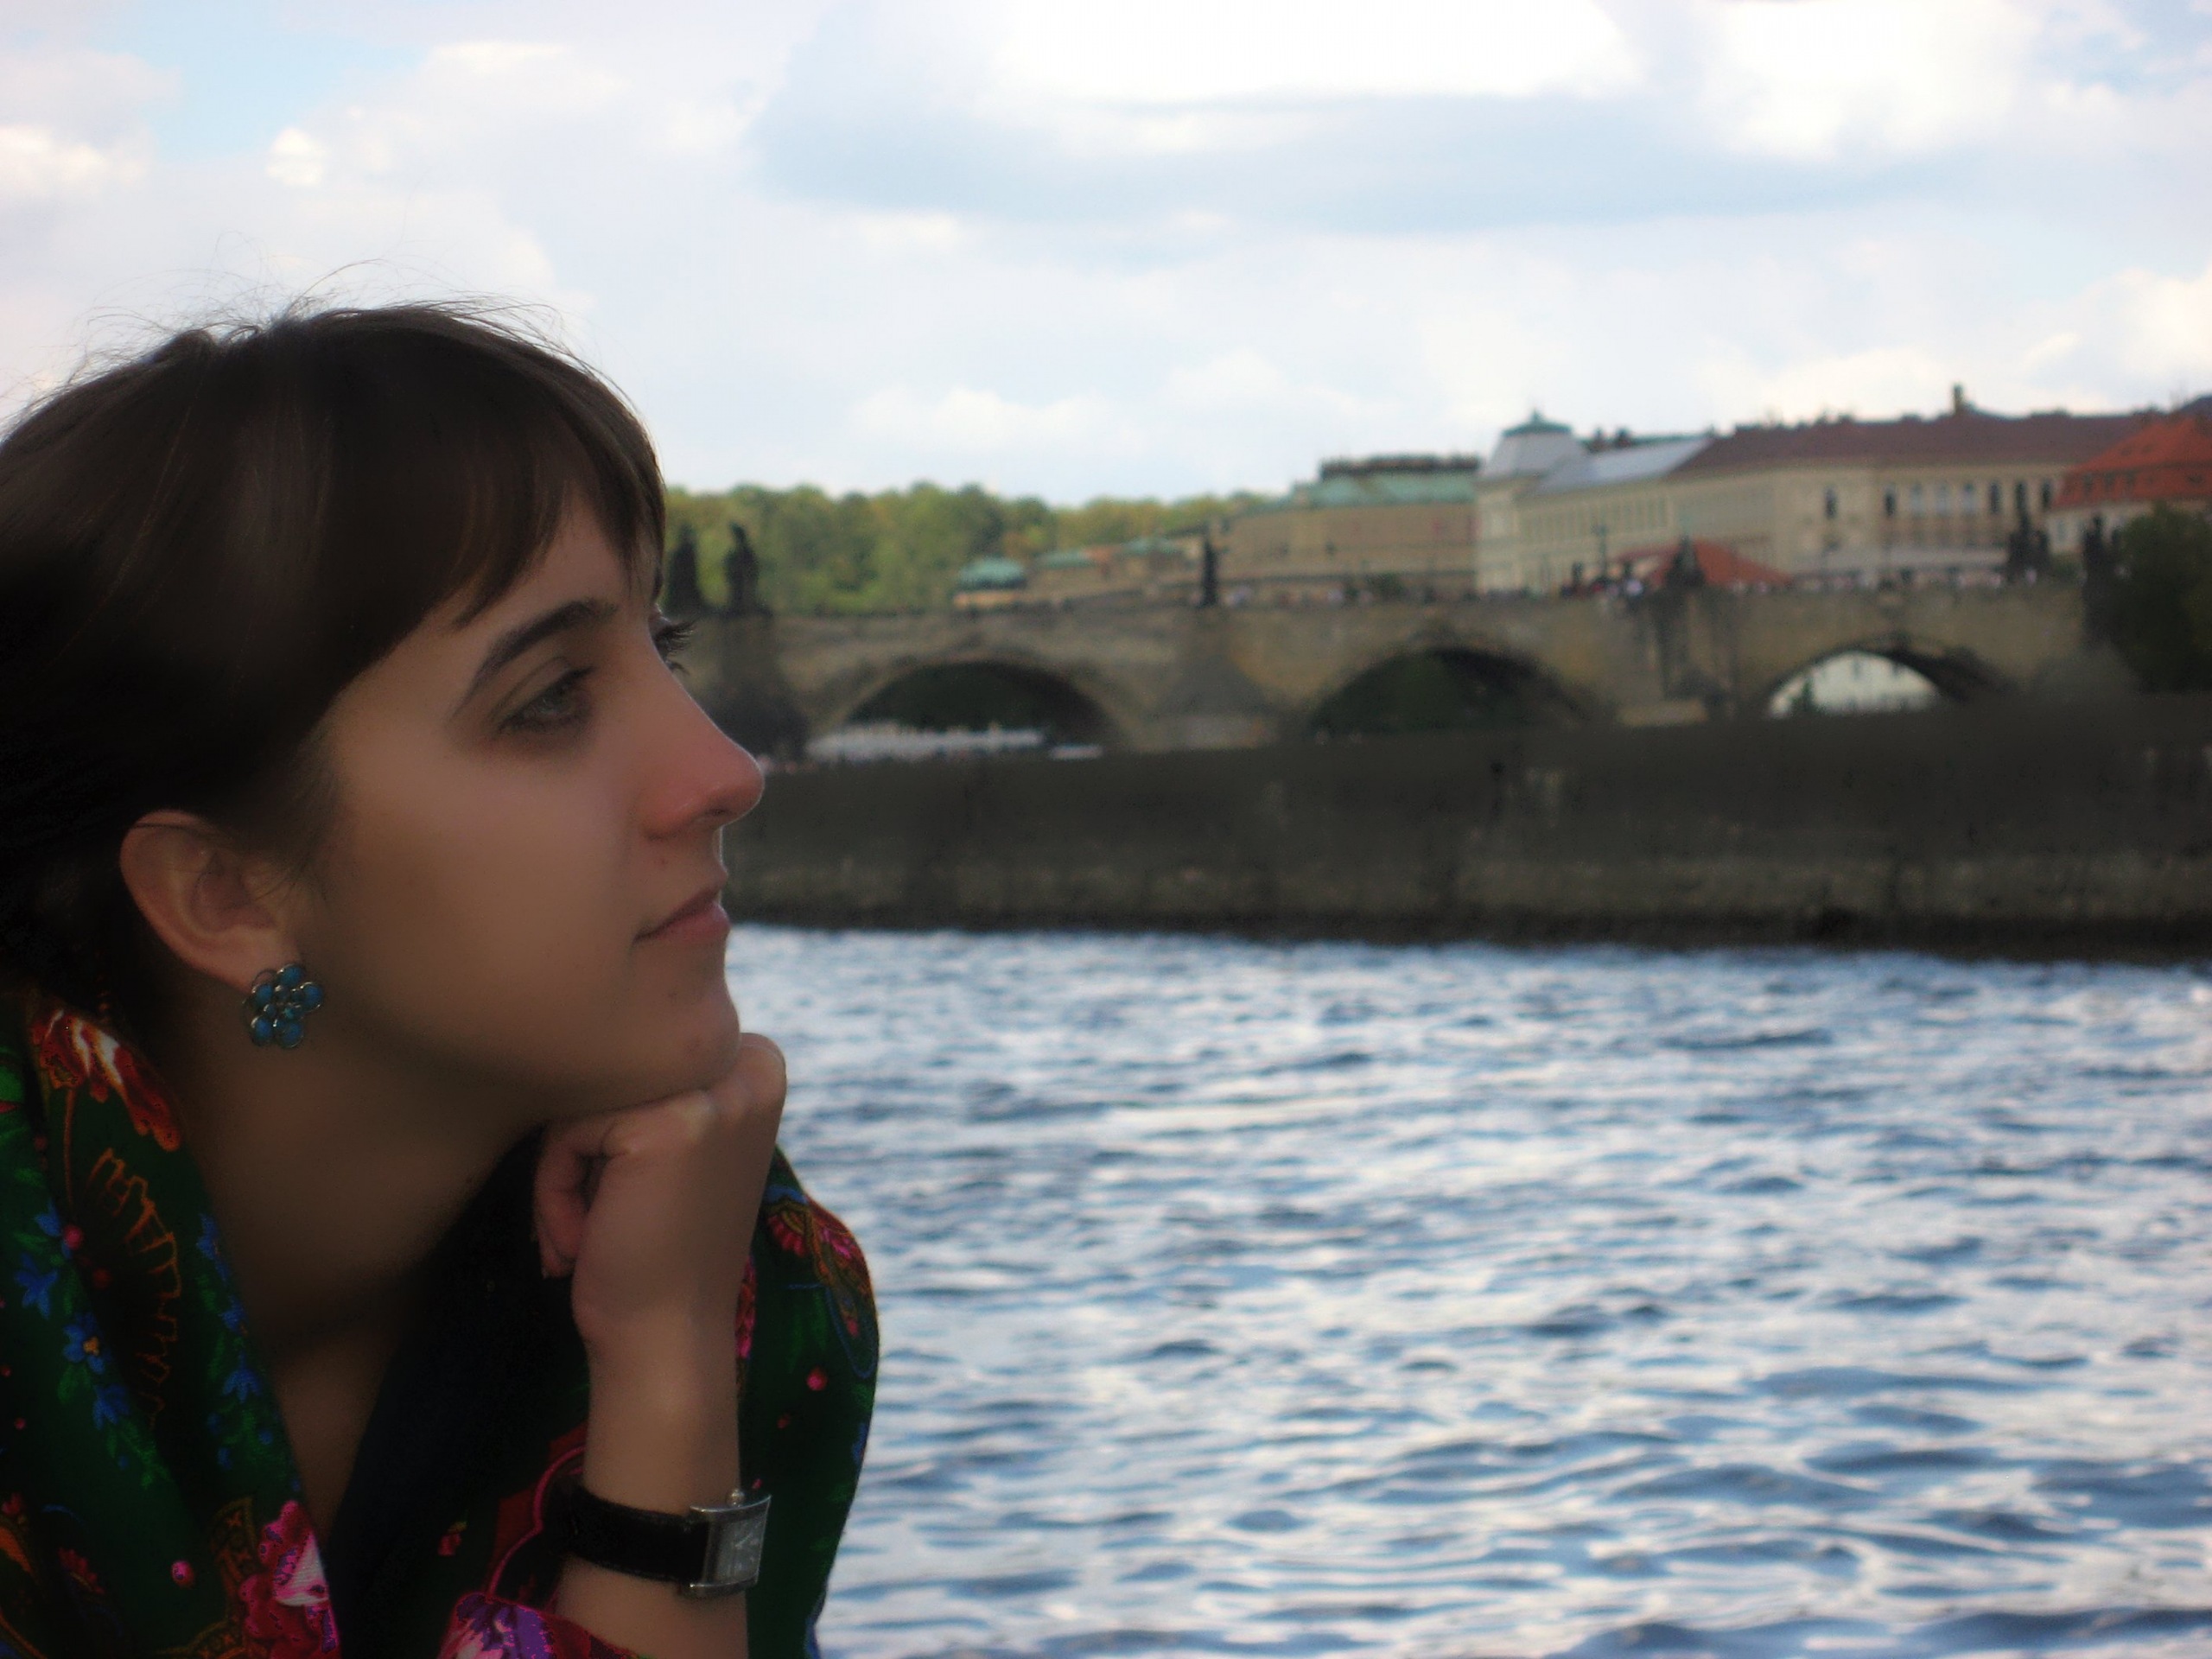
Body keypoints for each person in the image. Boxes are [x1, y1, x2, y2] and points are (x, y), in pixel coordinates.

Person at [0, 306, 877, 1657]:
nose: (725, 771)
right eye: (549, 699)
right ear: (227, 895)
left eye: (666, 644)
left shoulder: (719, 1266)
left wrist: (666, 1353)